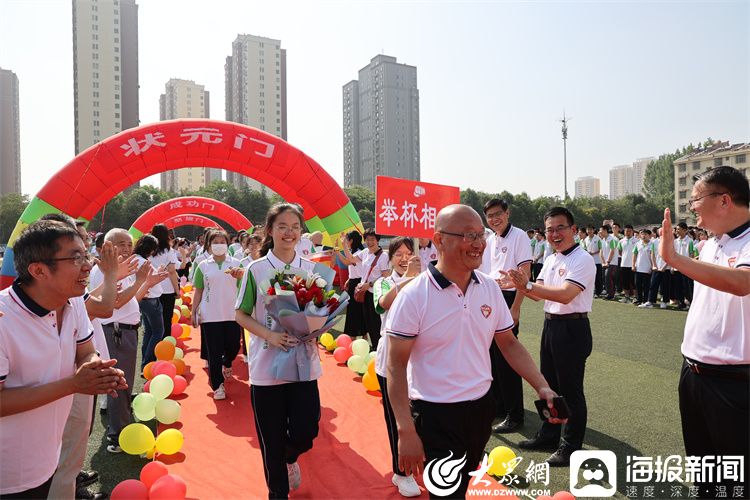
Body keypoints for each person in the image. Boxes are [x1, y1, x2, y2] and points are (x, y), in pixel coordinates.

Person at [386, 205, 560, 498]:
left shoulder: (489, 288)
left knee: (463, 486)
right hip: (435, 413)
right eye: (469, 235)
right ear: (439, 240)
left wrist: (542, 386)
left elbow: (509, 344)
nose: (479, 243)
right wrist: (405, 429)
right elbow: (395, 367)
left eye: (482, 235)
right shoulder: (415, 295)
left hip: (481, 410)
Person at [0, 221, 126, 498]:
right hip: (8, 472)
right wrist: (74, 384)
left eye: (87, 254)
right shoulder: (3, 318)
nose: (88, 265)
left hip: (45, 459)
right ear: (39, 270)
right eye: (75, 257)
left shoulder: (75, 301)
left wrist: (94, 368)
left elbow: (85, 350)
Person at [658, 166, 749, 499]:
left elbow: (742, 284)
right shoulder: (711, 245)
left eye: (696, 198)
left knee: (737, 478)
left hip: (734, 383)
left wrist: (674, 259)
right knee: (704, 472)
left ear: (724, 200)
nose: (691, 206)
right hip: (693, 374)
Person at [235, 203, 321, 499]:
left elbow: (320, 309)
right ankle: (278, 492)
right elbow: (241, 314)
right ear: (270, 231)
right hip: (266, 367)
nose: (289, 232)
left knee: (307, 431)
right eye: (282, 226)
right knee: (271, 439)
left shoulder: (311, 268)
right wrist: (270, 335)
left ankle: (290, 457)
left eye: (295, 226)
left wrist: (317, 328)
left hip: (303, 364)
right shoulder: (255, 270)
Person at [502, 206, 595, 467]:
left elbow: (566, 294)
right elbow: (537, 292)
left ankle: (570, 446)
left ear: (573, 230)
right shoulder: (553, 258)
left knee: (571, 391)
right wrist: (518, 285)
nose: (554, 234)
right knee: (548, 384)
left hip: (573, 329)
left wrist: (528, 285)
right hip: (551, 325)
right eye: (549, 229)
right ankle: (550, 433)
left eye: (560, 228)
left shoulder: (582, 259)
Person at [89, 229, 161, 453]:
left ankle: (121, 425)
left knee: (123, 382)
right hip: (116, 331)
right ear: (107, 246)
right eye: (120, 244)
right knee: (119, 383)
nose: (127, 248)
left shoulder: (123, 268)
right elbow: (116, 302)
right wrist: (140, 280)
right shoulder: (106, 271)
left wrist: (144, 283)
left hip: (125, 330)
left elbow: (132, 301)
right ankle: (118, 434)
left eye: (129, 244)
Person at [372, 237, 422, 497]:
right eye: (398, 254)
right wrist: (410, 279)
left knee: (422, 416)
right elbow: (384, 303)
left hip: (421, 360)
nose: (404, 258)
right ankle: (401, 473)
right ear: (390, 259)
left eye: (408, 253)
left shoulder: (425, 281)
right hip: (391, 361)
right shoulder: (383, 282)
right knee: (397, 419)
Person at [479, 199, 533, 434]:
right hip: (490, 300)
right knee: (491, 356)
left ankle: (515, 414)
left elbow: (525, 273)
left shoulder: (519, 236)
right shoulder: (490, 240)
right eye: (489, 216)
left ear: (507, 213)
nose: (494, 219)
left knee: (508, 358)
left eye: (497, 214)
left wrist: (516, 307)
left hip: (509, 299)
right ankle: (500, 406)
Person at [192, 230, 242, 400]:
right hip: (210, 314)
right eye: (215, 242)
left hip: (232, 314)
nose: (219, 244)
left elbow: (243, 289)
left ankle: (227, 362)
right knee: (213, 352)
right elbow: (198, 290)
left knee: (234, 346)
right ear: (209, 245)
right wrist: (194, 312)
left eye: (222, 241)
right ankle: (218, 386)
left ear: (227, 244)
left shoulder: (236, 263)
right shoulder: (203, 265)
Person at [132, 235, 168, 369]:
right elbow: (150, 281)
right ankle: (148, 363)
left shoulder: (134, 259)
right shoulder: (143, 262)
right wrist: (160, 274)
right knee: (158, 331)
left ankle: (145, 363)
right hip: (151, 299)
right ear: (151, 249)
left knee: (149, 331)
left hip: (142, 299)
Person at [356, 229, 390, 349]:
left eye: (372, 239)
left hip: (376, 293)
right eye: (367, 239)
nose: (370, 242)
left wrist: (369, 284)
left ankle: (379, 348)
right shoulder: (365, 252)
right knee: (368, 322)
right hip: (365, 293)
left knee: (377, 323)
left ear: (377, 240)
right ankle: (375, 347)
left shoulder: (384, 256)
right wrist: (343, 245)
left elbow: (386, 276)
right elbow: (351, 260)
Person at [150, 224, 181, 340]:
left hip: (151, 288)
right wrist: (177, 290)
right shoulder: (169, 251)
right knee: (166, 318)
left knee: (152, 320)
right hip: (167, 289)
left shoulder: (149, 250)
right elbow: (172, 272)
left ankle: (153, 344)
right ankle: (165, 343)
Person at [339, 231, 366, 339]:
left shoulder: (359, 253)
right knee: (354, 311)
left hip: (359, 284)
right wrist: (349, 280)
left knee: (357, 311)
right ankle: (355, 337)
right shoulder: (354, 252)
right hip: (354, 282)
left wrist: (339, 250)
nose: (347, 242)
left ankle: (359, 337)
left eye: (347, 240)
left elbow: (347, 262)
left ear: (351, 241)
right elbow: (352, 268)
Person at [647, 228, 671, 309]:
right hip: (656, 267)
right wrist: (654, 265)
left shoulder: (669, 241)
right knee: (653, 285)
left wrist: (665, 266)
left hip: (666, 268)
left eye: (663, 231)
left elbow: (670, 255)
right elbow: (652, 254)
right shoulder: (654, 241)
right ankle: (650, 301)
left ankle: (664, 301)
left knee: (665, 286)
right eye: (660, 231)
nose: (661, 232)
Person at [632, 229, 653, 306]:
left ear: (649, 236)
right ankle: (639, 299)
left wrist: (652, 266)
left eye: (645, 234)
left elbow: (652, 256)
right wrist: (633, 265)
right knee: (638, 285)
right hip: (639, 268)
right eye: (642, 234)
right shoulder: (638, 244)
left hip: (647, 268)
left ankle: (645, 300)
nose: (643, 236)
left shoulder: (652, 244)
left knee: (646, 286)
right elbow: (634, 255)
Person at [618, 225, 638, 303]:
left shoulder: (637, 241)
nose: (628, 232)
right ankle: (626, 297)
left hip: (633, 265)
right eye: (626, 231)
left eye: (629, 231)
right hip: (624, 264)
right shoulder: (621, 241)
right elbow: (620, 251)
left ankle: (635, 297)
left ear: (632, 231)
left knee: (633, 282)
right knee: (625, 281)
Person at [600, 225, 619, 300]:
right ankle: (609, 293)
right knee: (605, 278)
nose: (600, 232)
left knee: (609, 277)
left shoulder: (612, 239)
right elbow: (601, 252)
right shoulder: (603, 240)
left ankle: (611, 294)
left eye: (601, 230)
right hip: (605, 263)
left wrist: (608, 261)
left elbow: (612, 251)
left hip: (612, 262)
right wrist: (603, 262)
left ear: (605, 230)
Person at [584, 226, 603, 296]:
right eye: (588, 229)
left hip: (597, 261)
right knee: (590, 277)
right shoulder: (586, 239)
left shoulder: (598, 239)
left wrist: (594, 253)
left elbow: (601, 249)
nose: (589, 231)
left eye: (590, 229)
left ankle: (598, 292)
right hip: (589, 261)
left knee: (598, 277)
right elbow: (584, 249)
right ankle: (591, 291)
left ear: (593, 230)